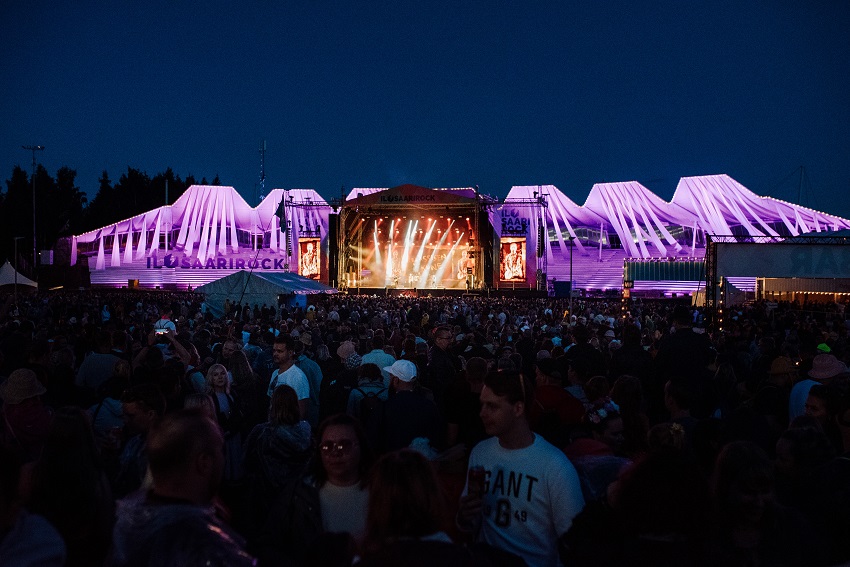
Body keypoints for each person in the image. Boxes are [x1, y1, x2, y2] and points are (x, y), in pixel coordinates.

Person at [458, 370, 585, 567]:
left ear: (518, 408)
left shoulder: (554, 466)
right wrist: (465, 516)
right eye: (482, 404)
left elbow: (574, 540)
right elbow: (472, 523)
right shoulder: (480, 453)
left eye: (492, 406)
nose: (482, 413)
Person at [108, 409, 256, 566]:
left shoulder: (127, 522)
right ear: (204, 463)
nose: (223, 457)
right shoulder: (204, 545)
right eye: (220, 450)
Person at [377, 360, 442, 453]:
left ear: (396, 380)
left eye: (391, 376)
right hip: (422, 458)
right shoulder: (429, 406)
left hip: (394, 458)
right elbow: (437, 436)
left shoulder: (385, 407)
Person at [266, 336, 310, 420]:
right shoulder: (275, 373)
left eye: (280, 351)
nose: (275, 354)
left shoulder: (298, 377)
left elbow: (302, 410)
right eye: (274, 350)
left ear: (290, 353)